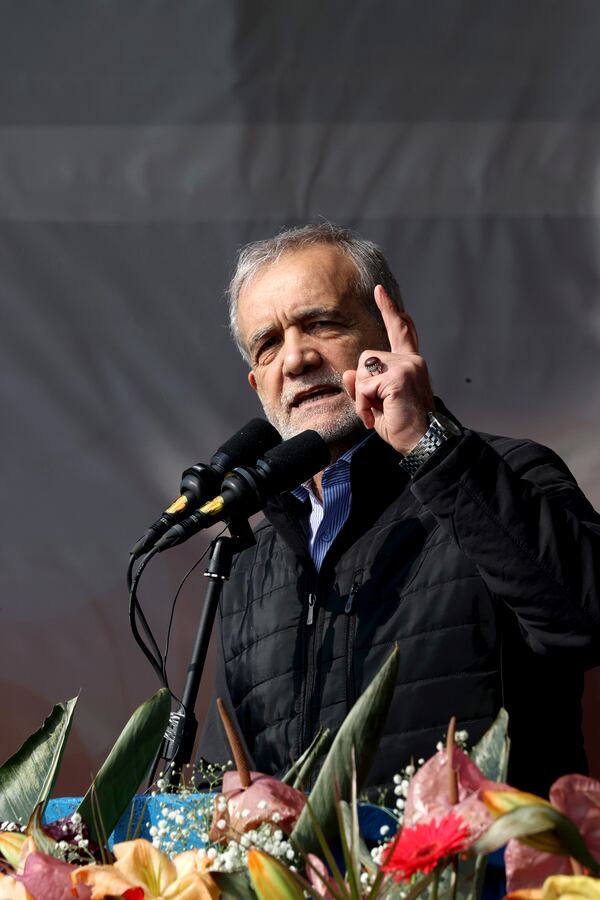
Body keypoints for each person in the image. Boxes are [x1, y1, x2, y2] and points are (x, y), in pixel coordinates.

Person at [198, 222, 600, 797]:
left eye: (320, 323)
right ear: (256, 383)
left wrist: (428, 446)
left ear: (386, 335)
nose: (295, 358)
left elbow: (584, 623)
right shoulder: (249, 563)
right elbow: (229, 773)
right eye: (268, 344)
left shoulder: (508, 473)